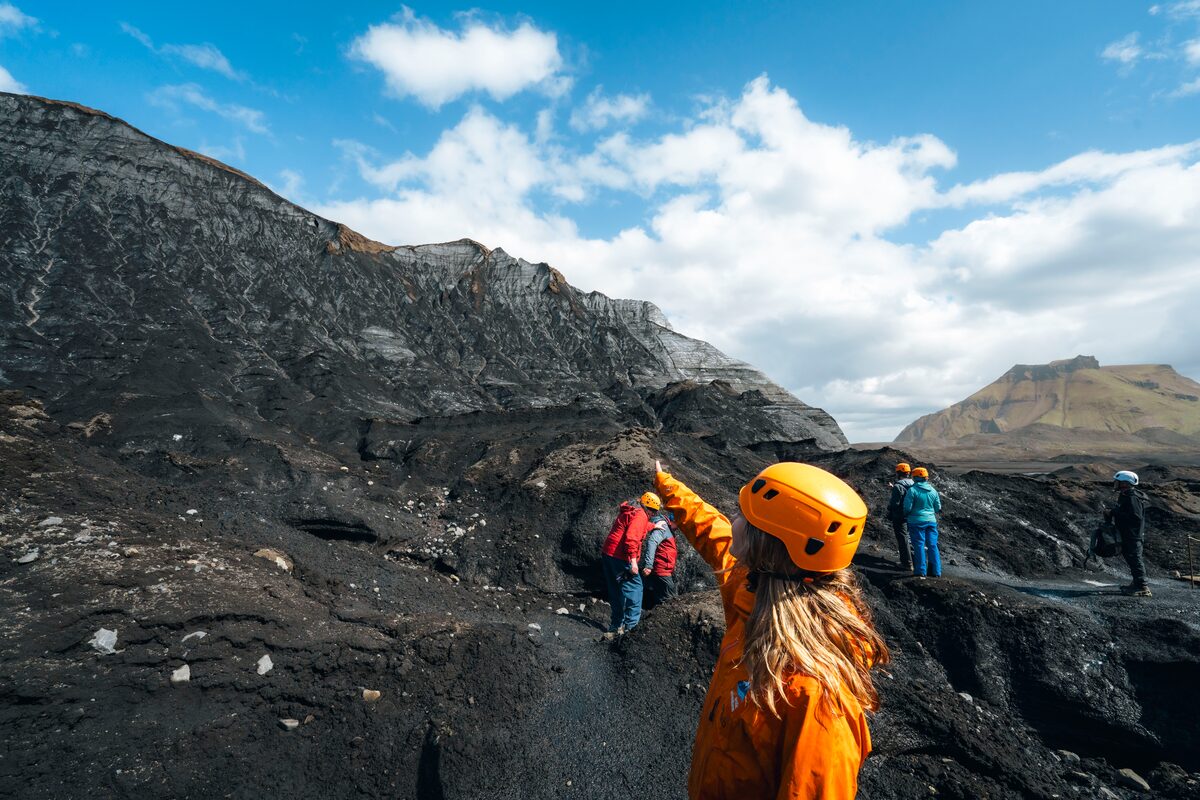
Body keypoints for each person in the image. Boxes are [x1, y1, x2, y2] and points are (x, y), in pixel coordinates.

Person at [654, 458, 889, 799]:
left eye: (741, 515)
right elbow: (711, 530)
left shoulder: (818, 701)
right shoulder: (752, 589)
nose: (731, 520)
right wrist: (668, 486)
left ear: (765, 544)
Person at [600, 492, 656, 636]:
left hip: (609, 554)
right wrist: (633, 562)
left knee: (616, 588)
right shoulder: (641, 515)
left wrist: (652, 526)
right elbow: (631, 538)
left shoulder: (632, 509)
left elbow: (635, 525)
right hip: (622, 557)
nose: (653, 514)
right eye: (654, 511)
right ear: (649, 508)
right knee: (635, 588)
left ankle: (615, 625)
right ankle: (631, 629)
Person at [1105, 470, 1150, 597]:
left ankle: (1142, 587)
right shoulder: (1126, 495)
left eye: (1117, 481)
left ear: (1124, 483)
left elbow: (1135, 517)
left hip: (1133, 535)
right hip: (1128, 534)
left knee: (1135, 559)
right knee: (1132, 559)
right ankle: (1136, 583)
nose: (1115, 483)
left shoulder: (1132, 497)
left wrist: (1113, 513)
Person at [902, 467, 942, 578]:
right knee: (932, 545)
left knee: (919, 545)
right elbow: (938, 507)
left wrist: (906, 514)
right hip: (931, 522)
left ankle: (920, 571)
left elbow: (907, 507)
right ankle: (936, 571)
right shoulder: (933, 491)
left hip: (916, 522)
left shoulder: (912, 490)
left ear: (915, 477)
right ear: (926, 477)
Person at [640, 498, 678, 609]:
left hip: (664, 568)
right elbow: (652, 542)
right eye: (679, 524)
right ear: (674, 520)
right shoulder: (663, 527)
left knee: (660, 596)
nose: (679, 528)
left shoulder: (666, 527)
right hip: (662, 570)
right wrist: (648, 565)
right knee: (671, 598)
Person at [885, 462, 915, 570]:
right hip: (912, 515)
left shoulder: (898, 486)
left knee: (903, 539)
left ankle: (907, 564)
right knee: (911, 538)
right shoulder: (914, 483)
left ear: (898, 472)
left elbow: (895, 503)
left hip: (900, 516)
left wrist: (889, 510)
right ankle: (915, 560)